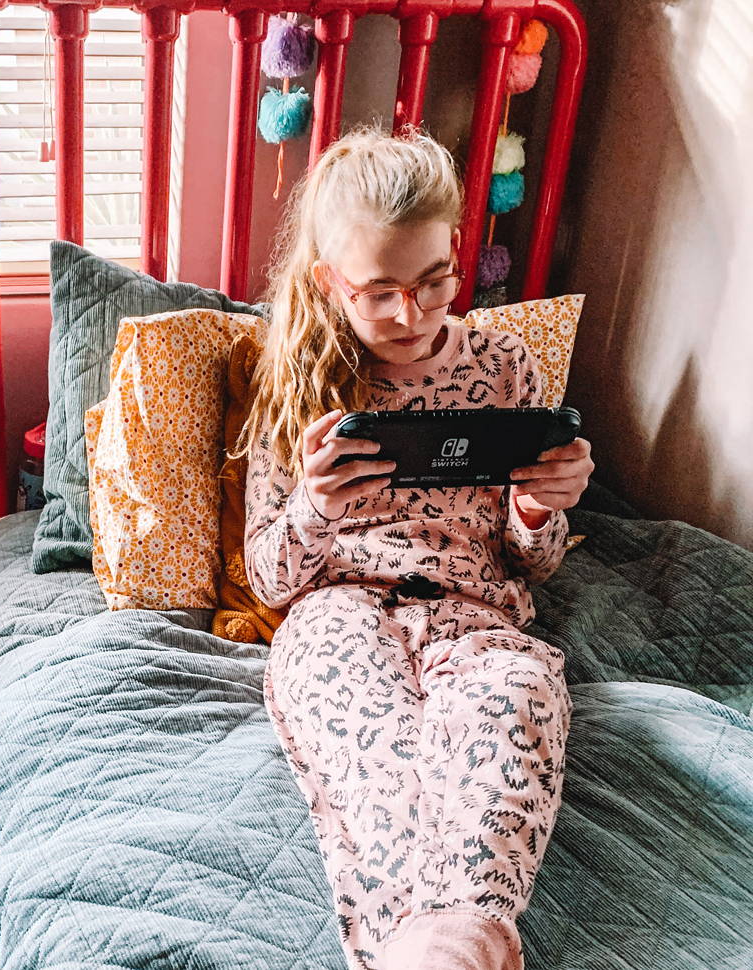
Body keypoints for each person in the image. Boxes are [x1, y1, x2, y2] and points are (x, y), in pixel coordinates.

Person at [234, 125, 594, 970]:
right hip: (338, 610)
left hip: (477, 613)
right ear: (332, 282)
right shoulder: (293, 374)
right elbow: (268, 578)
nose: (411, 313)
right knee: (375, 747)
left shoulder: (507, 367)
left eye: (435, 281)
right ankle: (451, 946)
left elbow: (529, 562)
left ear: (457, 250)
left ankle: (443, 946)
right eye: (379, 292)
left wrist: (538, 512)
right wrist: (315, 508)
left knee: (519, 705)